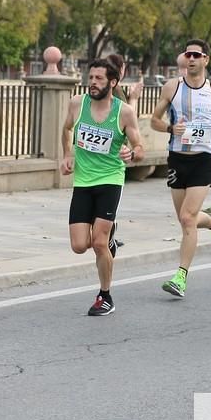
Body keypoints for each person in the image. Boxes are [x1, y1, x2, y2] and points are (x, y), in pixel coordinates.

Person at [151, 38, 211, 298]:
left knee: (187, 219)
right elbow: (155, 120)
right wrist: (170, 128)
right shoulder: (172, 87)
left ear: (205, 60)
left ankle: (180, 276)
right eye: (187, 55)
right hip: (177, 159)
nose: (191, 59)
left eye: (196, 55)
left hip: (203, 159)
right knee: (184, 218)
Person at [60, 59, 144, 316]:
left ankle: (105, 296)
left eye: (99, 78)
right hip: (83, 181)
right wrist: (68, 154)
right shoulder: (77, 103)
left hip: (110, 180)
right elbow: (66, 128)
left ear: (112, 82)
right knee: (78, 245)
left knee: (98, 243)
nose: (93, 82)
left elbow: (140, 148)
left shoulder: (124, 112)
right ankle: (110, 242)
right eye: (91, 77)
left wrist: (133, 154)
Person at [107, 53, 143, 249]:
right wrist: (134, 98)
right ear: (121, 70)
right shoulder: (116, 90)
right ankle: (108, 236)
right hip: (114, 152)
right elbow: (129, 117)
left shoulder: (113, 89)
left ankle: (108, 234)